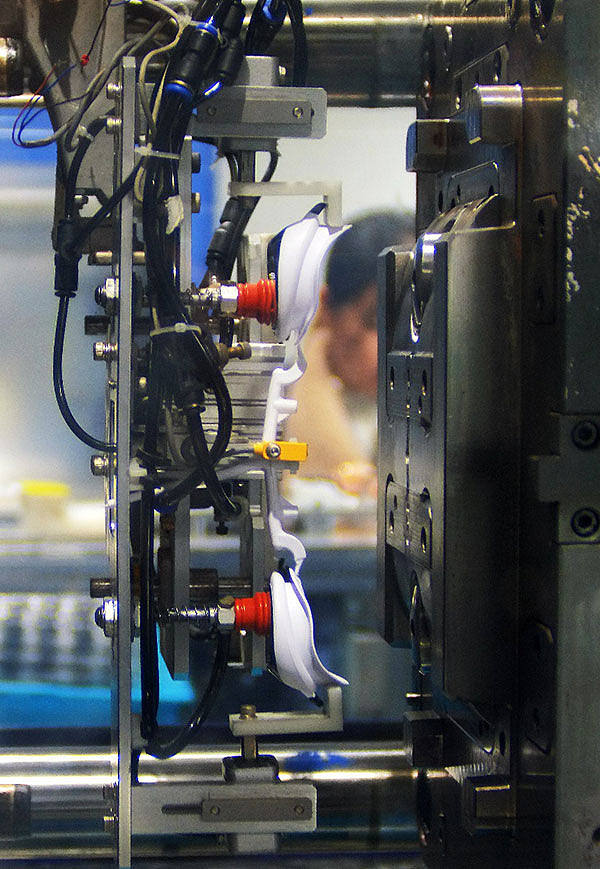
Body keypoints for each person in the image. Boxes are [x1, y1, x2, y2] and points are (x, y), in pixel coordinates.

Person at [287, 210, 414, 496]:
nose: (397, 348)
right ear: (326, 306)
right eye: (375, 321)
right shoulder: (279, 408)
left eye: (410, 324)